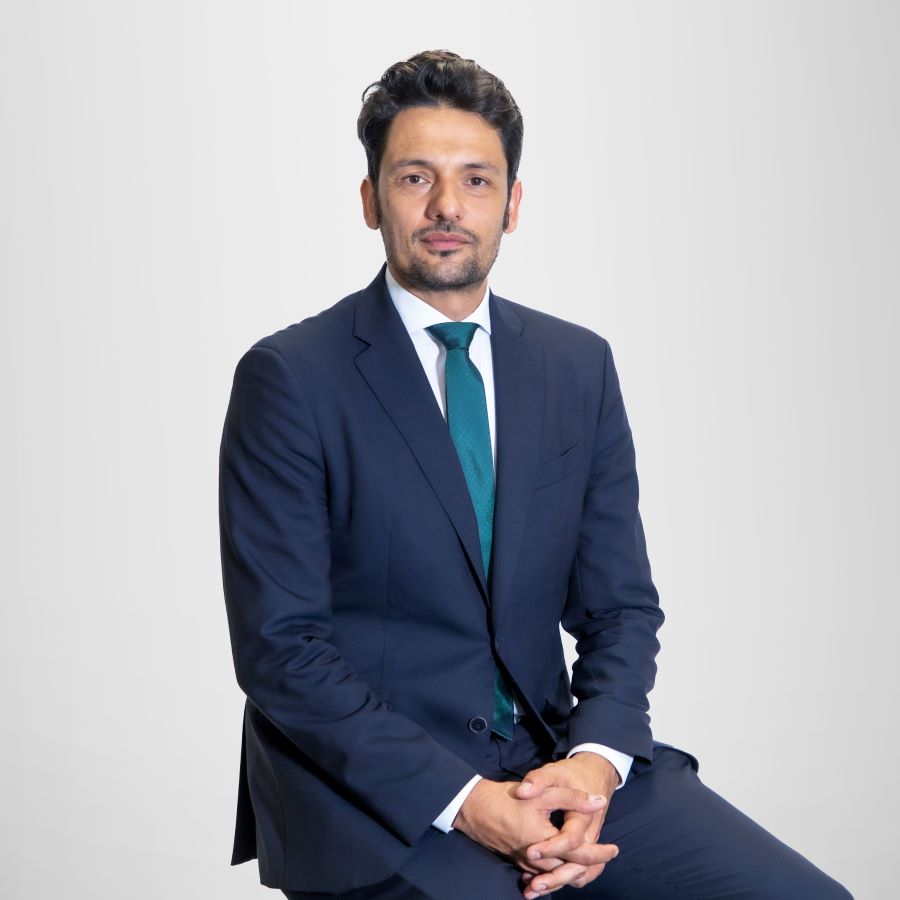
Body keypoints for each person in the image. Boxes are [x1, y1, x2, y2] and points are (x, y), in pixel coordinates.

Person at [219, 50, 851, 899]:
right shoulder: (292, 378)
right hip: (381, 797)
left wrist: (593, 765)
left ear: (512, 204)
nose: (448, 206)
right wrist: (468, 803)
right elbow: (282, 650)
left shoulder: (575, 366)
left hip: (553, 760)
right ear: (371, 201)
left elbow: (620, 607)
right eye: (415, 178)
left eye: (476, 180)